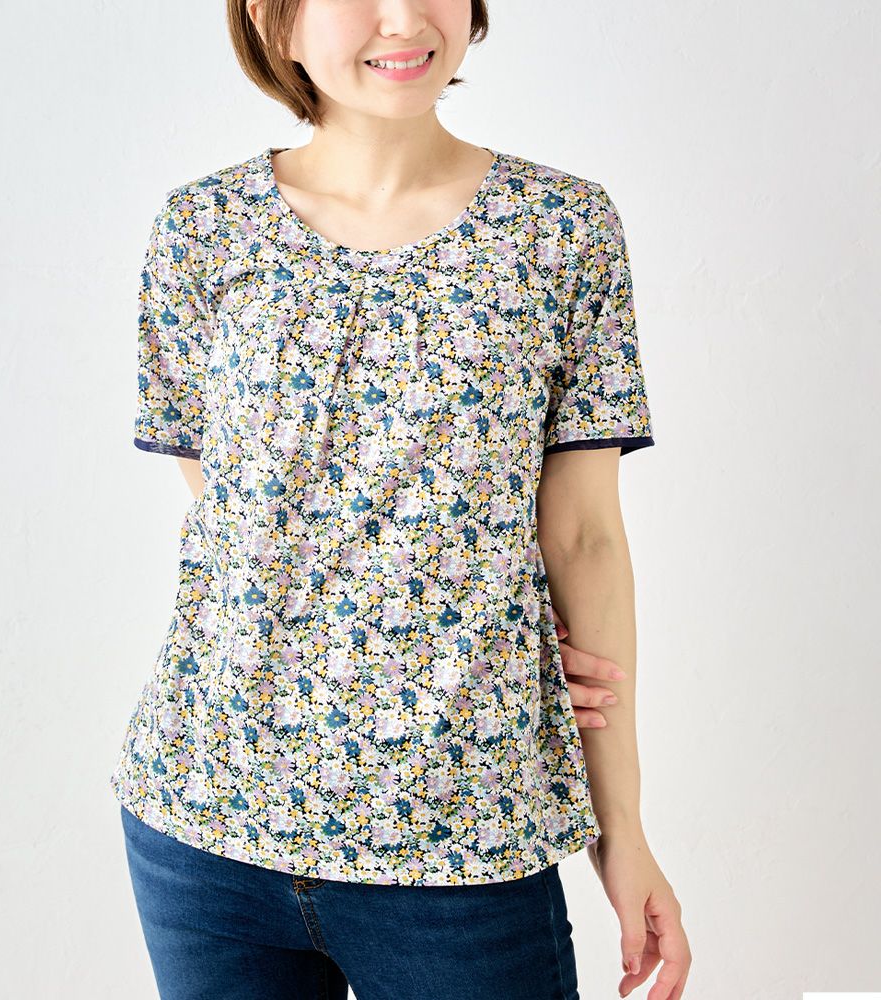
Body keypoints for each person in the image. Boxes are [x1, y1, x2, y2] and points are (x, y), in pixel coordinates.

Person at [110, 1, 692, 998]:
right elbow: (232, 511)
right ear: (274, 22)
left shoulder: (561, 229)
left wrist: (621, 830)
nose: (402, 16)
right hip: (204, 818)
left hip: (462, 835)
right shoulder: (200, 229)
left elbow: (585, 538)